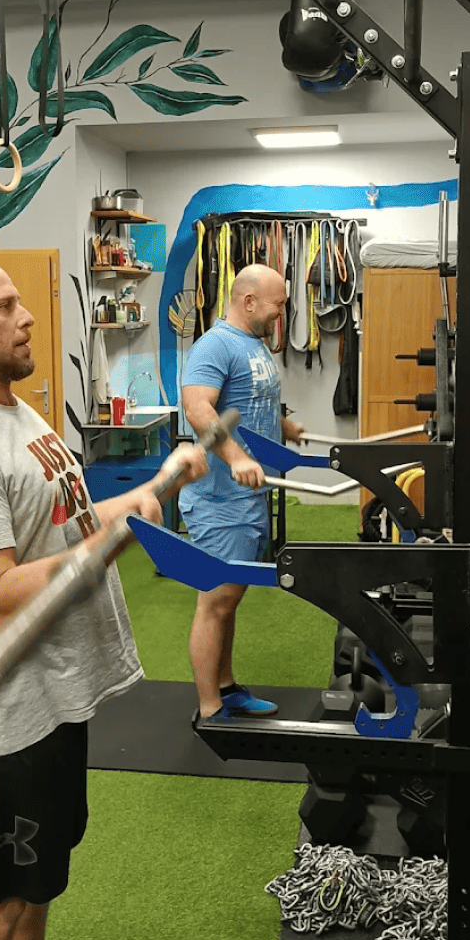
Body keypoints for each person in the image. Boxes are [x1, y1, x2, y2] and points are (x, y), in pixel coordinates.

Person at [0, 258, 207, 940]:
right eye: (5, 306)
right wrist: (111, 538)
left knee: (37, 888)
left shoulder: (13, 413)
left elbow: (65, 524)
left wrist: (142, 496)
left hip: (56, 694)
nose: (27, 316)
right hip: (9, 713)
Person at [179, 263, 305, 721]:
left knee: (230, 600)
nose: (282, 313)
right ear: (249, 301)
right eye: (278, 304)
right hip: (219, 499)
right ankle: (210, 709)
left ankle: (226, 688)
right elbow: (197, 408)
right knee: (216, 602)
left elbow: (251, 402)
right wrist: (235, 458)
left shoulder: (253, 343)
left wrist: (283, 426)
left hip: (249, 498)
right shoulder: (214, 345)